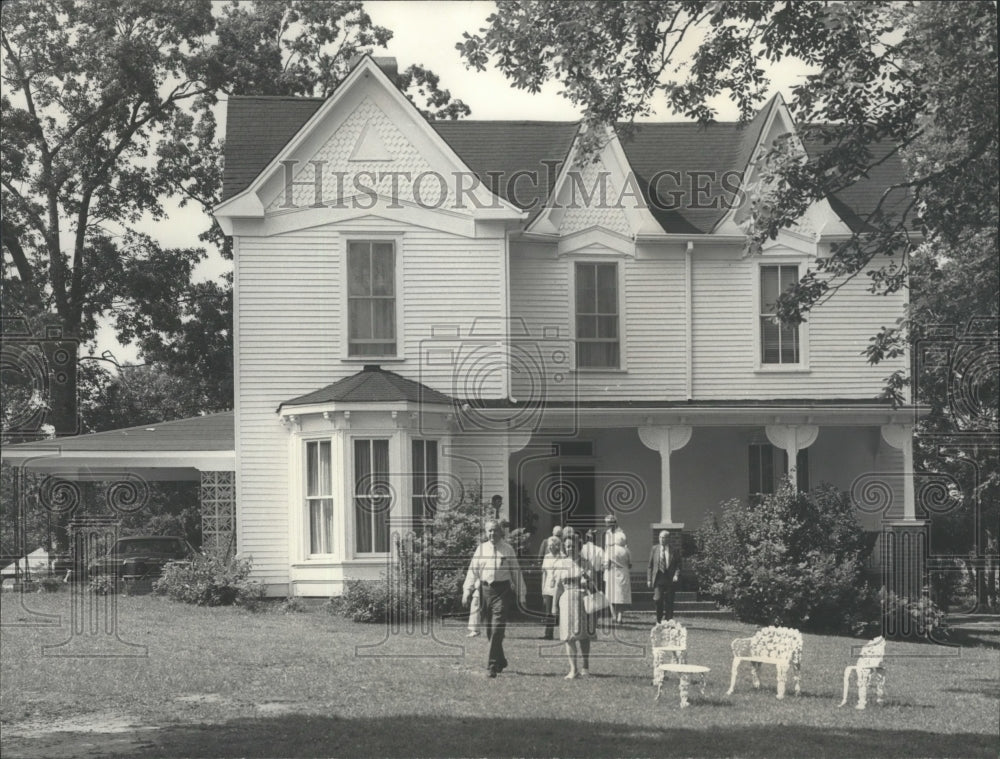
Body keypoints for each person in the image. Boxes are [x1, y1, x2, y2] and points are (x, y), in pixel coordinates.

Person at [462, 519, 526, 678]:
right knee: (490, 631)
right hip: (485, 590)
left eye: (495, 530)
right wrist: (466, 591)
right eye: (489, 530)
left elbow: (516, 572)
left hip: (502, 591)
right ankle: (501, 659)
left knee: (497, 628)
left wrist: (521, 594)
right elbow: (472, 571)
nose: (492, 533)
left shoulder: (508, 549)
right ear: (486, 532)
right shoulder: (481, 549)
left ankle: (491, 665)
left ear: (501, 532)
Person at [553, 532, 597, 678]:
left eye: (572, 546)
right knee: (568, 636)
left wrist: (587, 580)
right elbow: (558, 587)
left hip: (582, 598)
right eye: (567, 546)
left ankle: (585, 665)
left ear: (578, 546)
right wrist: (554, 605)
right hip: (566, 599)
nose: (569, 549)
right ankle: (573, 669)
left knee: (583, 634)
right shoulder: (560, 563)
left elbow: (593, 585)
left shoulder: (586, 562)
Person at [647, 530, 681, 623]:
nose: (662, 539)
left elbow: (678, 566)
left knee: (669, 600)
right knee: (658, 599)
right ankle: (659, 619)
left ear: (668, 539)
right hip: (658, 579)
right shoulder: (654, 549)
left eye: (664, 537)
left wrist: (676, 575)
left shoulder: (674, 550)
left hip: (669, 579)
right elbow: (650, 565)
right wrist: (649, 579)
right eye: (660, 537)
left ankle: (668, 620)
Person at [605, 531, 632, 624]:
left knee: (611, 595)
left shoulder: (610, 549)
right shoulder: (626, 550)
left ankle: (613, 615)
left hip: (612, 572)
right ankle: (620, 616)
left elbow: (606, 564)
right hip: (623, 573)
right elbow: (630, 564)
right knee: (621, 596)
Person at [540, 535, 562, 640]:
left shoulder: (563, 557)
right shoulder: (547, 557)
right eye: (549, 545)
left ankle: (565, 633)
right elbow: (544, 573)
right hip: (548, 587)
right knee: (549, 612)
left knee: (561, 611)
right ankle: (548, 633)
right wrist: (543, 588)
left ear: (557, 546)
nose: (549, 547)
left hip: (559, 588)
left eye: (552, 545)